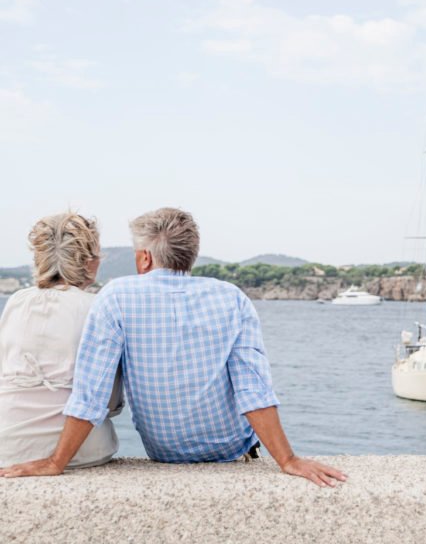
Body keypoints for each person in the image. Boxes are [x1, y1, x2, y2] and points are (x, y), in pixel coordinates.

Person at [0, 208, 346, 487]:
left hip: (163, 453)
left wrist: (56, 462)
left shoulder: (115, 297)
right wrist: (287, 459)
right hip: (230, 450)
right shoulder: (231, 297)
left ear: (144, 259)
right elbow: (252, 389)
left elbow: (91, 393)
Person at [0, 213, 123, 468]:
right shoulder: (98, 308)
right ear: (89, 263)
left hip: (8, 445)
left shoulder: (16, 301)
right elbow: (108, 403)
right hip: (81, 449)